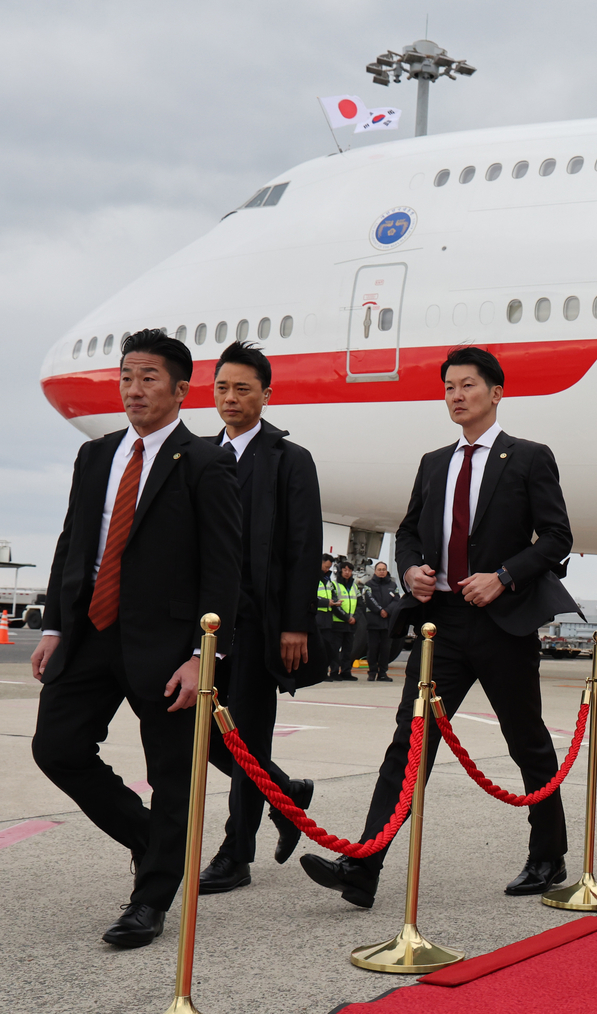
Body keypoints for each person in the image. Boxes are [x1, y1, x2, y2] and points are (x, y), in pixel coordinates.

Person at [301, 346, 578, 908]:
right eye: (449, 386)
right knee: (409, 743)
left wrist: (503, 576)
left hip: (501, 622)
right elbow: (408, 531)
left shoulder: (527, 458)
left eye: (468, 385)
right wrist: (410, 569)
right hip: (441, 626)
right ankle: (364, 866)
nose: (456, 395)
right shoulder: (433, 462)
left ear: (496, 393)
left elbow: (556, 538)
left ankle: (547, 856)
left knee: (527, 741)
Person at [29, 329, 241, 948]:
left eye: (149, 378)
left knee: (173, 773)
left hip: (169, 645)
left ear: (180, 390)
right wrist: (52, 625)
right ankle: (153, 842)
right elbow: (74, 544)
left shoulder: (205, 460)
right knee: (57, 748)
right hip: (89, 633)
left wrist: (203, 656)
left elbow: (225, 567)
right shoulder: (96, 456)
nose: (134, 389)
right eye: (126, 377)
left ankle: (149, 901)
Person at [198, 340, 324, 894]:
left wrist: (296, 623)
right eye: (222, 387)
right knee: (200, 735)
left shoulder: (288, 460)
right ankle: (286, 792)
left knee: (246, 735)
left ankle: (236, 853)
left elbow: (304, 545)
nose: (230, 397)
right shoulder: (199, 455)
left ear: (266, 395)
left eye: (243, 388)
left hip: (259, 623)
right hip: (205, 625)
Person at [364, 561, 399, 682]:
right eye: (379, 569)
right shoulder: (368, 585)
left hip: (387, 623)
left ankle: (383, 673)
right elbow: (369, 599)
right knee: (373, 649)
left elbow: (396, 600)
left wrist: (387, 611)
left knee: (385, 649)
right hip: (373, 622)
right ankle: (372, 672)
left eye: (384, 569)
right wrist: (380, 611)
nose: (382, 571)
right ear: (375, 571)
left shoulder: (393, 585)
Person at [330, 561, 360, 680]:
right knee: (335, 648)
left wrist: (355, 618)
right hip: (338, 622)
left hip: (351, 624)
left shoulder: (354, 586)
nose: (347, 573)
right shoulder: (334, 585)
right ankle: (334, 671)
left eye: (349, 570)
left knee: (348, 649)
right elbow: (334, 605)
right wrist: (347, 618)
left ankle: (346, 671)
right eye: (345, 570)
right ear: (340, 571)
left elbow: (360, 604)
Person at [317, 554, 341, 680]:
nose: (327, 569)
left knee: (326, 647)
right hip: (316, 617)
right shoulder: (312, 579)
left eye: (329, 567)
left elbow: (333, 594)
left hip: (326, 619)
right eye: (326, 567)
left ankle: (324, 672)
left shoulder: (328, 581)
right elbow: (310, 597)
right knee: (316, 647)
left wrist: (335, 602)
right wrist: (327, 602)